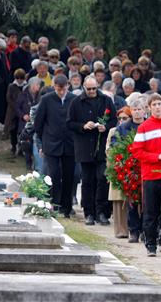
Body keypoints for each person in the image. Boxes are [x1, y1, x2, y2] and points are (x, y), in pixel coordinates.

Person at [131, 93, 161, 256]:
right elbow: (137, 151)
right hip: (151, 176)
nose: (158, 107)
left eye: (160, 104)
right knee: (150, 212)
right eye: (154, 105)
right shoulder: (143, 127)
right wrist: (157, 157)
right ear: (149, 107)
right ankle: (151, 244)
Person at [67, 76, 117, 226]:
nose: (92, 91)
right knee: (87, 181)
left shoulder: (106, 100)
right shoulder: (76, 102)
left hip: (101, 146)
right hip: (85, 147)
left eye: (94, 88)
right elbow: (69, 123)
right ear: (84, 87)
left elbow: (114, 120)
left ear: (98, 86)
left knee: (102, 179)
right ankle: (89, 212)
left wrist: (105, 127)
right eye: (89, 89)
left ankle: (101, 212)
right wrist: (83, 126)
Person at [35, 75, 76, 218]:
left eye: (63, 89)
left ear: (68, 86)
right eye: (58, 89)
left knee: (69, 175)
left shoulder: (73, 99)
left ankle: (67, 207)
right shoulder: (46, 99)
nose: (61, 92)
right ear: (54, 87)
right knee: (53, 175)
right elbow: (38, 122)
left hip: (69, 144)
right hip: (51, 144)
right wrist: (42, 141)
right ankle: (54, 204)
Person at [108, 100, 146, 242]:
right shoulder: (123, 128)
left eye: (139, 109)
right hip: (130, 169)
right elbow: (115, 145)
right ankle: (134, 231)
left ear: (144, 110)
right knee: (132, 203)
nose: (137, 112)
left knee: (146, 203)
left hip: (146, 167)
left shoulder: (148, 125)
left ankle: (144, 230)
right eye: (134, 109)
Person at [106, 106, 132, 238]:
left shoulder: (133, 129)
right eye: (120, 118)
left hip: (132, 168)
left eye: (125, 118)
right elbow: (108, 151)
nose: (122, 121)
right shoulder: (113, 131)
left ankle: (130, 229)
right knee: (117, 201)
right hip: (117, 168)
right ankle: (120, 230)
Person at [16, 77, 42, 170]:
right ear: (32, 85)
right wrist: (23, 115)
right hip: (25, 123)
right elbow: (17, 107)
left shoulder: (40, 95)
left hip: (35, 122)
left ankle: (35, 163)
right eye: (37, 84)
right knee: (26, 144)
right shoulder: (23, 94)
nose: (38, 86)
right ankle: (28, 163)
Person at [4, 69, 27, 156]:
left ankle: (21, 148)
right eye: (18, 78)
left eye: (21, 78)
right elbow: (8, 98)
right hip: (13, 112)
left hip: (23, 112)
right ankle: (13, 147)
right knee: (13, 130)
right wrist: (16, 107)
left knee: (22, 131)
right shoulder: (11, 86)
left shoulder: (26, 86)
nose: (20, 80)